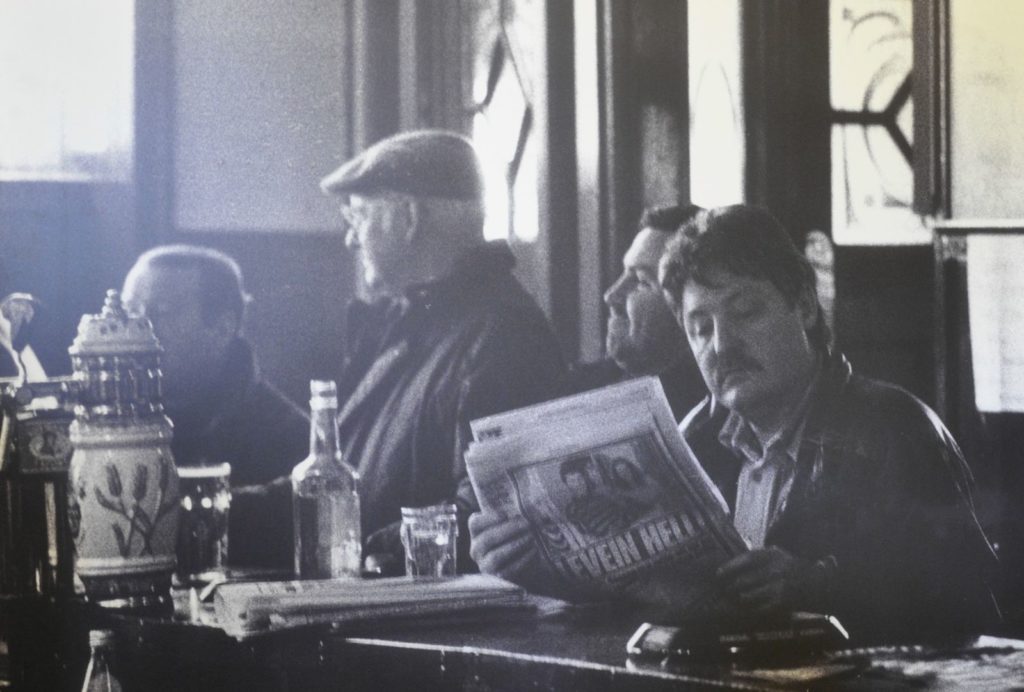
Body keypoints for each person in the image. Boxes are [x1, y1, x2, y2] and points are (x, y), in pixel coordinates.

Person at [472, 204, 1000, 642]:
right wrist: (545, 571)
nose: (722, 346)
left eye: (746, 313)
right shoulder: (694, 440)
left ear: (805, 309)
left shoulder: (893, 427)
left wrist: (818, 586)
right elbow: (652, 598)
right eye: (700, 327)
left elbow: (971, 606)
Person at [320, 129, 566, 572]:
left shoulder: (501, 333)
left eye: (357, 217)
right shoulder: (409, 321)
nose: (351, 240)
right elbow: (335, 479)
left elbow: (488, 510)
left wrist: (359, 549)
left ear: (409, 218)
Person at [122, 245, 309, 569]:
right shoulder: (102, 424)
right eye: (130, 311)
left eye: (161, 311)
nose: (135, 328)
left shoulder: (289, 437)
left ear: (223, 326)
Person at [571, 205, 706, 420]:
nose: (611, 295)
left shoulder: (709, 424)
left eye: (642, 281)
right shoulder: (574, 393)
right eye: (625, 272)